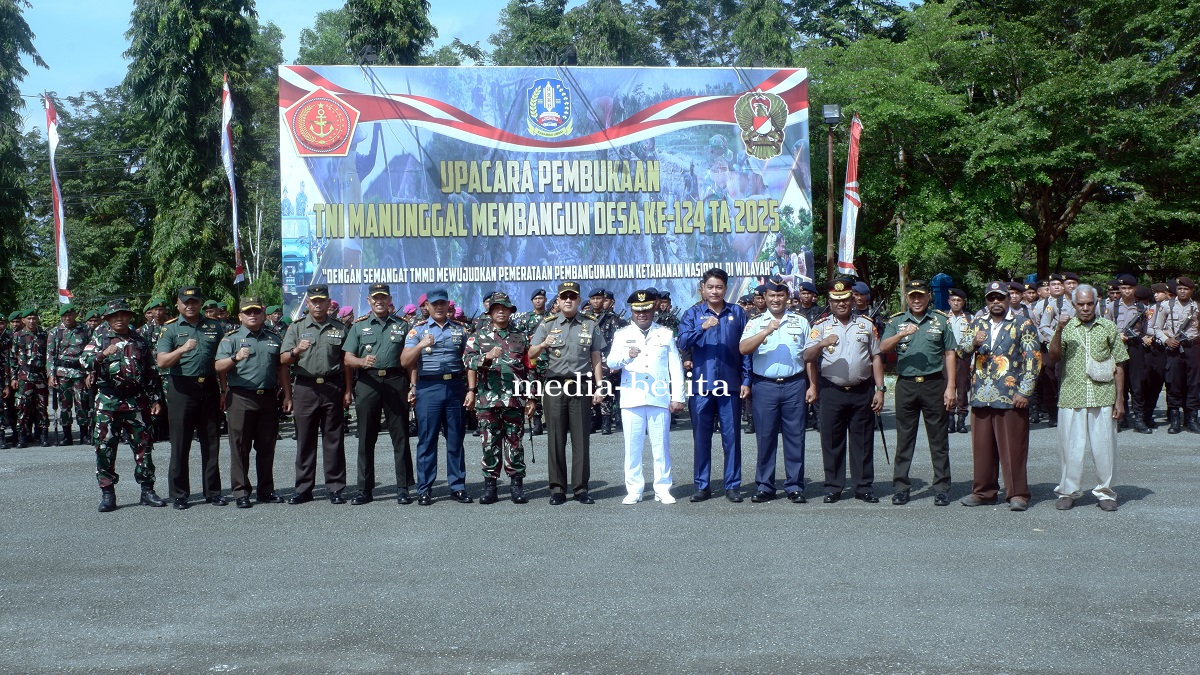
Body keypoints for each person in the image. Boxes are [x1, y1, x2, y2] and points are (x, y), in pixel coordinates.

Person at [957, 282, 1042, 511]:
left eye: (1000, 298)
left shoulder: (1023, 323)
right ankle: (983, 492)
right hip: (981, 395)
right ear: (986, 301)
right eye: (991, 298)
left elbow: (1033, 359)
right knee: (982, 448)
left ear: (1008, 299)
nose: (996, 302)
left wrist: (1025, 391)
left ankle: (1018, 494)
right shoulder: (976, 323)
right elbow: (960, 351)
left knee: (1013, 448)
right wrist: (973, 342)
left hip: (1010, 395)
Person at [1048, 284, 1128, 511]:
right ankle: (1068, 491)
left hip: (1103, 395)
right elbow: (1052, 357)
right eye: (1080, 304)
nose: (1085, 308)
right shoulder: (1067, 328)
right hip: (1071, 396)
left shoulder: (1108, 327)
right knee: (1070, 448)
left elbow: (1120, 364)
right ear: (1073, 305)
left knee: (1105, 448)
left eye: (1089, 303)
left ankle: (1106, 492)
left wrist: (1119, 399)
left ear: (1096, 303)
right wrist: (1058, 330)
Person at [82, 299, 167, 512]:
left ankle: (147, 490)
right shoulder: (99, 338)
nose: (119, 319)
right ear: (108, 319)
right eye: (114, 316)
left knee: (144, 447)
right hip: (108, 402)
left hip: (136, 401)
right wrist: (103, 354)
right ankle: (108, 493)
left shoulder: (139, 339)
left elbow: (150, 371)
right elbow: (84, 361)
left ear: (130, 317)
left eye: (123, 315)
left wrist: (155, 398)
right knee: (105, 448)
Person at [804, 279, 885, 504]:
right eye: (836, 300)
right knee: (831, 441)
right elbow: (807, 358)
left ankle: (863, 487)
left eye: (845, 300)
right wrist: (822, 344)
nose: (842, 304)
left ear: (852, 300)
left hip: (862, 390)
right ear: (829, 302)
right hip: (832, 390)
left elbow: (876, 357)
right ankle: (833, 487)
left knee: (863, 441)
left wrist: (880, 389)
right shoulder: (820, 326)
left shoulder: (867, 324)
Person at [880, 280, 956, 506]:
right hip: (906, 385)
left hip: (934, 384)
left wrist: (951, 386)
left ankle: (942, 488)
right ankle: (901, 487)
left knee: (938, 439)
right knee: (904, 439)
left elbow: (950, 353)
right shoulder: (897, 321)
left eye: (920, 296)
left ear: (927, 297)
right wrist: (901, 334)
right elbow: (883, 348)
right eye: (912, 296)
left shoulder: (940, 321)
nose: (916, 300)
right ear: (907, 298)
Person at [677, 268, 751, 503]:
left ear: (725, 289)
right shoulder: (692, 313)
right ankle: (702, 485)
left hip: (730, 385)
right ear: (702, 288)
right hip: (702, 384)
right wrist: (703, 327)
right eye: (710, 287)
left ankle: (732, 485)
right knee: (701, 437)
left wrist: (746, 380)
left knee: (731, 437)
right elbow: (682, 341)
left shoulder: (738, 313)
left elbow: (746, 349)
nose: (714, 291)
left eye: (719, 287)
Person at [529, 281, 606, 504]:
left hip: (581, 385)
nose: (569, 300)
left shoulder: (590, 324)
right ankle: (557, 489)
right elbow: (532, 353)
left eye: (573, 297)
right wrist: (544, 344)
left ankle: (581, 489)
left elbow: (596, 358)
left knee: (581, 438)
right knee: (555, 438)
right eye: (565, 297)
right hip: (554, 386)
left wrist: (600, 386)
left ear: (579, 300)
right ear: (559, 301)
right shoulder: (547, 324)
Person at [738, 276, 813, 503]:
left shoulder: (800, 322)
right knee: (765, 437)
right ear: (765, 298)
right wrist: (766, 331)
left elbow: (809, 357)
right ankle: (765, 485)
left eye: (780, 295)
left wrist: (813, 386)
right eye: (771, 295)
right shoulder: (755, 322)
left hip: (794, 384)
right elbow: (743, 349)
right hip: (765, 386)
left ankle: (794, 486)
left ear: (787, 297)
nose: (776, 299)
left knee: (795, 437)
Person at [607, 290, 685, 504]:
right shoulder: (622, 334)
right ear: (632, 311)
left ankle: (663, 487)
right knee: (632, 447)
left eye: (647, 310)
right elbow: (611, 362)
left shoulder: (665, 333)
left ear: (653, 309)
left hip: (659, 397)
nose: (642, 314)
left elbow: (675, 368)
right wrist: (626, 356)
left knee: (661, 445)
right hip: (632, 397)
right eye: (638, 310)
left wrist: (677, 396)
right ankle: (634, 489)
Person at [216, 296, 291, 509]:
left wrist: (288, 395)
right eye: (247, 312)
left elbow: (281, 368)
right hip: (240, 397)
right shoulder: (230, 339)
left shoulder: (274, 338)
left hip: (267, 397)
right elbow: (218, 367)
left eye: (256, 311)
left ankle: (266, 490)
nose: (252, 315)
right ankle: (241, 491)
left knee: (267, 446)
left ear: (262, 314)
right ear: (240, 315)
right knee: (240, 448)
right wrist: (235, 358)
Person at [156, 286, 228, 508]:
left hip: (208, 387)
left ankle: (213, 491)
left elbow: (223, 364)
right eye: (185, 302)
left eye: (194, 301)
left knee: (211, 442)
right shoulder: (170, 330)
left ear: (200, 304)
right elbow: (162, 362)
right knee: (180, 443)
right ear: (177, 304)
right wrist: (182, 350)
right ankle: (179, 494)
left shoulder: (215, 328)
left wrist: (224, 390)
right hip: (181, 388)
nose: (190, 305)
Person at [343, 283, 414, 505]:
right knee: (365, 436)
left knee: (400, 435)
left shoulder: (403, 326)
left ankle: (403, 487)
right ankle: (364, 489)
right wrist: (361, 361)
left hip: (395, 380)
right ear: (369, 301)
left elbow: (411, 359)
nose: (379, 301)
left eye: (383, 297)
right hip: (368, 381)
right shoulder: (358, 326)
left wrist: (413, 385)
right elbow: (347, 358)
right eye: (375, 298)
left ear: (390, 299)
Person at [402, 288, 473, 505]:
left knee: (455, 439)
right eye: (435, 304)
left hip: (454, 386)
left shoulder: (460, 331)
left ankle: (458, 486)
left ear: (448, 305)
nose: (439, 307)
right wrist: (422, 345)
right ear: (427, 307)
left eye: (443, 303)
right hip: (428, 387)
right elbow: (405, 361)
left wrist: (471, 389)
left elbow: (470, 361)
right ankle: (424, 489)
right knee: (427, 440)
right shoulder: (417, 331)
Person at [281, 284, 349, 504]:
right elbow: (283, 360)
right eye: (314, 301)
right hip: (305, 388)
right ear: (307, 303)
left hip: (332, 386)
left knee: (334, 439)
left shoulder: (340, 328)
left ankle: (336, 487)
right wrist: (296, 350)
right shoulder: (296, 328)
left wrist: (348, 390)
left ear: (329, 303)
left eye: (322, 301)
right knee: (305, 439)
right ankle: (303, 488)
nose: (318, 304)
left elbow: (346, 362)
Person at [464, 292, 531, 505]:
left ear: (511, 311)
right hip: (488, 399)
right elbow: (467, 360)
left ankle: (516, 486)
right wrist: (486, 357)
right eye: (496, 308)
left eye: (505, 308)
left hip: (514, 399)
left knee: (515, 442)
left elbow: (531, 369)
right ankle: (490, 486)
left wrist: (532, 399)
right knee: (489, 443)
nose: (501, 311)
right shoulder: (478, 335)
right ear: (490, 312)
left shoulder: (521, 336)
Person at [1152, 276, 1198, 434]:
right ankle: (1174, 419)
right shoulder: (1166, 305)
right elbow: (1156, 328)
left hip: (1192, 349)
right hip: (1173, 348)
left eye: (1186, 289)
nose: (1183, 291)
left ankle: (1191, 418)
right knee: (1173, 383)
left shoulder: (1197, 306)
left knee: (1193, 383)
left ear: (1192, 290)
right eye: (1180, 289)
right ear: (1175, 290)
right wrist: (1166, 340)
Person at [1107, 274, 1151, 434]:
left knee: (1137, 383)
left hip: (1135, 346)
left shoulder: (1141, 308)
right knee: (1118, 384)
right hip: (1117, 346)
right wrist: (1116, 335)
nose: (1126, 291)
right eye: (1123, 288)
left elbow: (1146, 329)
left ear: (1135, 289)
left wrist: (1146, 337)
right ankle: (1120, 417)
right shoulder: (1113, 306)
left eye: (1129, 288)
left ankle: (1139, 419)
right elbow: (1105, 326)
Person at [46, 303, 90, 445]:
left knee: (81, 403)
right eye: (65, 316)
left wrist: (90, 372)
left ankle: (84, 434)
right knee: (65, 405)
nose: (68, 318)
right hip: (62, 373)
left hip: (79, 372)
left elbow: (90, 351)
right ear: (61, 317)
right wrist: (51, 375)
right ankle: (67, 436)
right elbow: (50, 355)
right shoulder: (55, 332)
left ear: (75, 315)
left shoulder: (85, 330)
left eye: (70, 315)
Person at [8, 309, 49, 447]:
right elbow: (12, 359)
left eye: (34, 318)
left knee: (42, 407)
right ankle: (22, 436)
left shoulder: (43, 334)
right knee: (22, 407)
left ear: (37, 319)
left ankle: (43, 435)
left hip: (40, 376)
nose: (32, 321)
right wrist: (13, 378)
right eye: (29, 318)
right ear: (24, 320)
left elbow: (49, 356)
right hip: (24, 376)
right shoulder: (18, 336)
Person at [1038, 274, 1074, 427]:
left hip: (1074, 347)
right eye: (1054, 284)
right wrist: (1055, 338)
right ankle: (1053, 413)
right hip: (1051, 347)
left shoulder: (1077, 302)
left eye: (1061, 284)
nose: (1058, 287)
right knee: (1051, 380)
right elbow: (1040, 326)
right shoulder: (1046, 305)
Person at [946, 288, 972, 433]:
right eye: (953, 300)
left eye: (959, 300)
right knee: (948, 387)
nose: (956, 303)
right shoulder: (943, 317)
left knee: (962, 389)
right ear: (949, 302)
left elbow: (974, 342)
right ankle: (949, 420)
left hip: (963, 358)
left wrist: (973, 362)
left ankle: (961, 420)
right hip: (946, 357)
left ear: (963, 302)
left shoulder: (969, 318)